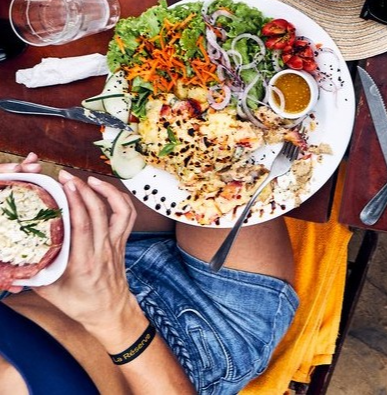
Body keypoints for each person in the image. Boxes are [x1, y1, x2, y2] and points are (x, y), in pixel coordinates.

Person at [0, 152, 298, 395]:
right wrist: (113, 314)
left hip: (75, 262)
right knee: (242, 157)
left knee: (133, 124)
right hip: (202, 334)